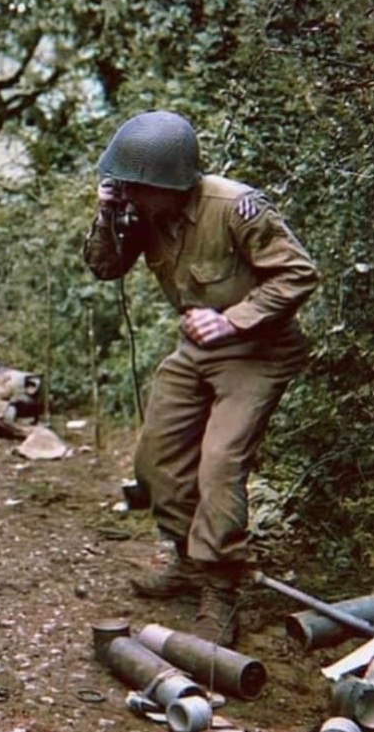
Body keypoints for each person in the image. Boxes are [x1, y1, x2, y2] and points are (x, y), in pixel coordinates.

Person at [83, 110, 320, 645]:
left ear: (169, 183)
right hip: (197, 347)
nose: (127, 192)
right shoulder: (141, 212)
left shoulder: (234, 206)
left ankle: (220, 584)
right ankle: (187, 561)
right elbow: (104, 267)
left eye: (135, 186)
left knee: (219, 463)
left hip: (259, 349)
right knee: (156, 460)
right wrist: (106, 218)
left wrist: (232, 319)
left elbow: (299, 273)